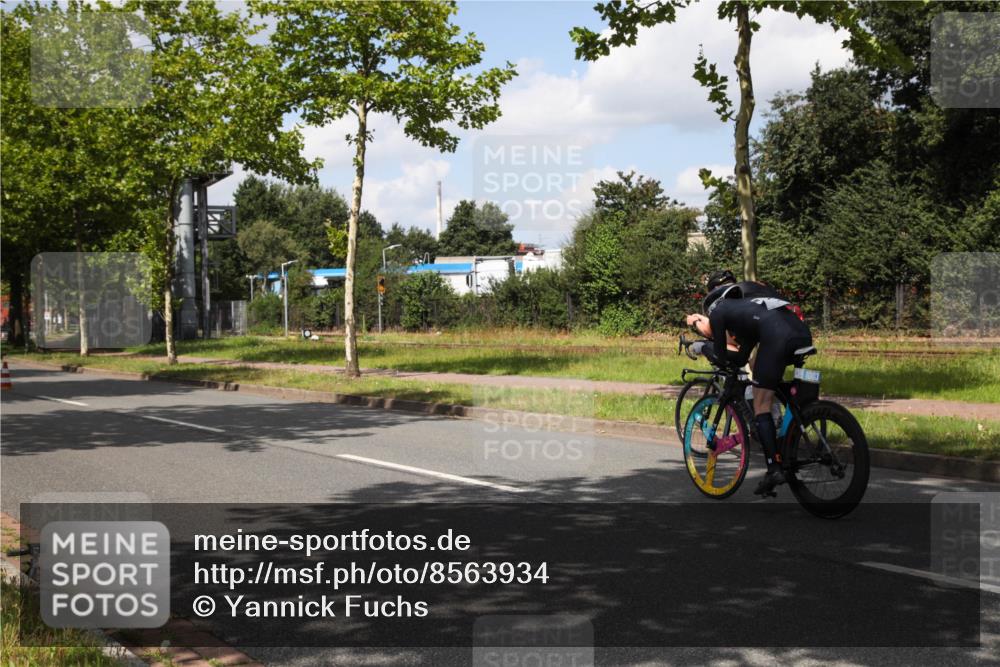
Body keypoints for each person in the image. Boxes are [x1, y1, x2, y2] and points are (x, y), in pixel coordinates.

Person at [685, 279, 813, 496]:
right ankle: (788, 433)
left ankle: (773, 467)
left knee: (761, 402)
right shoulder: (750, 310)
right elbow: (742, 356)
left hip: (778, 335)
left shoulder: (719, 312)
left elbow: (722, 357)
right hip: (800, 332)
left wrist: (702, 347)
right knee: (772, 383)